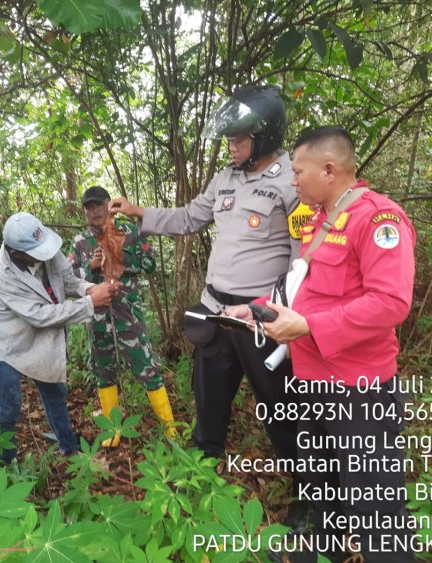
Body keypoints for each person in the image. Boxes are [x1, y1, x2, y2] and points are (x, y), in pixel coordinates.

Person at [111, 85, 312, 526]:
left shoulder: (290, 181)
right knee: (209, 403)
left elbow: (302, 260)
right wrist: (138, 211)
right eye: (230, 140)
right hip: (214, 310)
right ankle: (200, 471)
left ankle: (307, 498)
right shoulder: (225, 178)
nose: (232, 147)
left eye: (239, 139)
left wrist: (283, 312)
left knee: (281, 410)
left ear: (264, 136)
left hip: (260, 318)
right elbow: (188, 217)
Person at [227, 126, 416, 562]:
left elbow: (390, 303)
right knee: (320, 486)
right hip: (312, 383)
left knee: (375, 508)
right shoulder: (318, 220)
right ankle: (316, 553)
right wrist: (252, 310)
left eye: (298, 171)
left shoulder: (379, 219)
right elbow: (301, 290)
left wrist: (309, 327)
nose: (292, 180)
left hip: (359, 392)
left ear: (329, 170)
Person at [0, 212, 116, 463]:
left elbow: (68, 280)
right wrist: (89, 304)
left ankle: (69, 448)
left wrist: (92, 289)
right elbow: (39, 316)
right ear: (16, 252)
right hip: (10, 343)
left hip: (42, 337)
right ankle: (6, 464)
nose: (45, 254)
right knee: (7, 408)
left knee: (55, 394)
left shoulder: (48, 251)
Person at [68, 185, 175, 447]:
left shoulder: (130, 232)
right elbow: (70, 280)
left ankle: (171, 432)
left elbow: (150, 264)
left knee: (146, 366)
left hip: (128, 313)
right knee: (104, 371)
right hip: (98, 317)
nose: (94, 211)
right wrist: (90, 266)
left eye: (98, 205)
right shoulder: (80, 242)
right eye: (89, 207)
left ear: (109, 205)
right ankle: (113, 432)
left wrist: (120, 260)